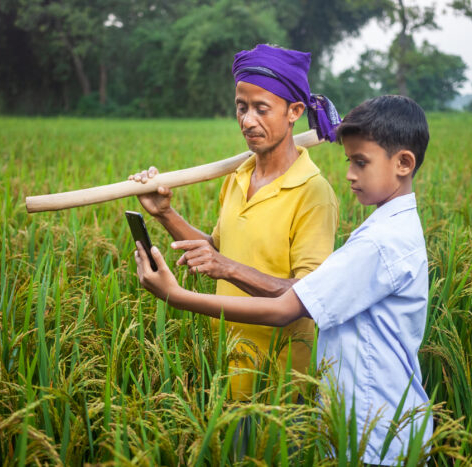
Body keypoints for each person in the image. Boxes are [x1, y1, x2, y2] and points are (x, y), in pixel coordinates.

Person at [134, 95, 433, 464]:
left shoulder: (378, 242)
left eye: (360, 162)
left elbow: (287, 306)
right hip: (355, 425)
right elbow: (217, 249)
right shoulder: (384, 230)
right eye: (349, 161)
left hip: (375, 436)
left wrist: (176, 296)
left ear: (404, 163)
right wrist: (165, 214)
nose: (350, 174)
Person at [128, 44, 340, 400]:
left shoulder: (313, 193)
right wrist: (164, 212)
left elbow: (307, 297)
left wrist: (226, 269)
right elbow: (216, 249)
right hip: (226, 367)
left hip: (280, 383)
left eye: (261, 108)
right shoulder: (238, 176)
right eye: (241, 107)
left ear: (295, 111)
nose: (247, 120)